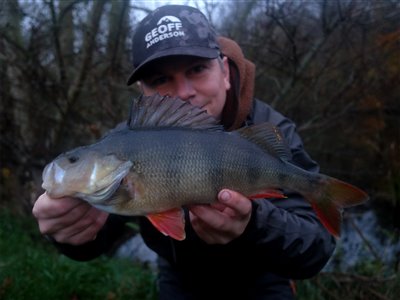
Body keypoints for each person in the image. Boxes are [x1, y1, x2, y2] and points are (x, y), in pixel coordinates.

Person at [33, 5, 336, 299]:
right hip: (181, 280)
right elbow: (96, 241)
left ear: (226, 72)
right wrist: (69, 235)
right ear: (142, 90)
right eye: (160, 79)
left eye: (197, 68)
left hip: (263, 278)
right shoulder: (124, 143)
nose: (183, 92)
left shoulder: (271, 128)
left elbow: (316, 250)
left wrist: (253, 224)